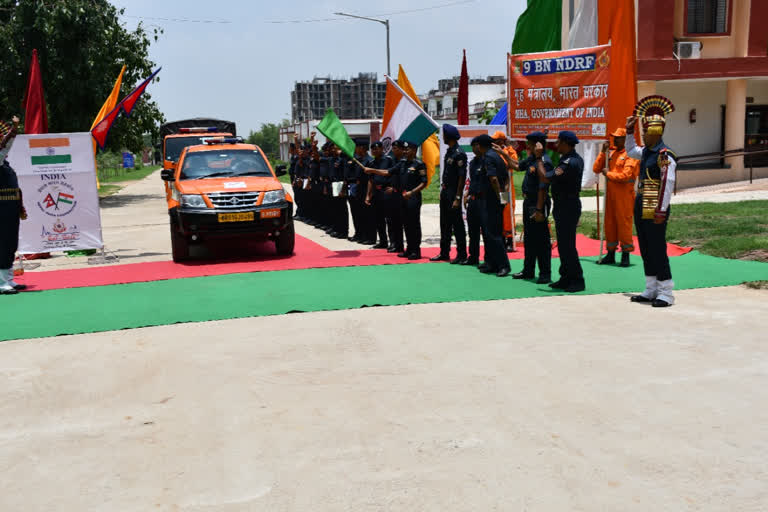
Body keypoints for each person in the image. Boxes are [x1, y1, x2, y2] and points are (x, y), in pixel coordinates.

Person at [625, 95, 677, 307]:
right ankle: (651, 288)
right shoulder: (646, 151)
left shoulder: (665, 154)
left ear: (656, 131)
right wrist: (629, 131)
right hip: (642, 200)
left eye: (646, 131)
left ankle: (666, 292)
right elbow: (631, 150)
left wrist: (661, 210)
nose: (643, 134)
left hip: (655, 202)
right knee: (646, 247)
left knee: (656, 247)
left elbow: (667, 182)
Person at [593, 127, 640, 267]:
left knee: (624, 224)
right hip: (610, 195)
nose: (615, 139)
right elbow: (596, 169)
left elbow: (625, 176)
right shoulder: (611, 153)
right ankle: (611, 253)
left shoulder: (632, 155)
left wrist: (608, 174)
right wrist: (602, 152)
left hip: (624, 195)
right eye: (614, 137)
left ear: (625, 139)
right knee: (610, 223)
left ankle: (626, 255)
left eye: (618, 137)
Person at [547, 131, 585, 292]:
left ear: (566, 143)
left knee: (568, 245)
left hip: (568, 205)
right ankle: (566, 277)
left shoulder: (571, 162)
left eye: (559, 142)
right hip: (563, 204)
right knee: (563, 244)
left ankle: (577, 279)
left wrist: (540, 158)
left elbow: (548, 176)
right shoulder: (566, 159)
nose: (556, 145)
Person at [512, 131, 552, 283]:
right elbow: (516, 166)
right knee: (529, 239)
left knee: (541, 240)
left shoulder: (545, 161)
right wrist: (502, 152)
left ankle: (545, 273)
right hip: (529, 202)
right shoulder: (531, 159)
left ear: (537, 145)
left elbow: (543, 186)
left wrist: (539, 209)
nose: (526, 146)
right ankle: (528, 270)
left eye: (529, 143)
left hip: (538, 202)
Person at [471, 134, 511, 277]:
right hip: (494, 199)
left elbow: (494, 179)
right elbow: (506, 177)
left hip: (490, 200)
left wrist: (500, 198)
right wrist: (504, 198)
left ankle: (503, 265)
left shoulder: (488, 157)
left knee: (494, 234)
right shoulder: (497, 157)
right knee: (489, 233)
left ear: (480, 146)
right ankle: (492, 263)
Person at [431, 124, 468, 264]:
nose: (443, 137)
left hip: (454, 192)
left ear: (449, 136)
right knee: (444, 223)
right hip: (446, 191)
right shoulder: (449, 151)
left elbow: (461, 177)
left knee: (457, 224)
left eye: (444, 135)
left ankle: (462, 254)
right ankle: (444, 252)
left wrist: (458, 197)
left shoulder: (459, 153)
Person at [0, 115, 27, 295]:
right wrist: (14, 129)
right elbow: (5, 144)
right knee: (2, 244)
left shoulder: (5, 165)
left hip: (9, 210)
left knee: (10, 243)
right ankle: (2, 283)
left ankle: (8, 279)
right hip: (1, 211)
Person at [398, 141, 428, 260]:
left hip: (413, 197)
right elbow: (389, 172)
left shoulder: (419, 164)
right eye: (404, 150)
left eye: (408, 149)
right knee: (406, 223)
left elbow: (423, 182)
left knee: (414, 224)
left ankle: (416, 250)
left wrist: (412, 192)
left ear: (415, 151)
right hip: (403, 197)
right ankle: (409, 248)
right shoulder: (403, 163)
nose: (405, 152)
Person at [364, 141, 396, 250]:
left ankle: (393, 242)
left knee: (390, 219)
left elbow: (393, 173)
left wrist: (393, 187)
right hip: (376, 193)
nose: (374, 151)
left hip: (386, 191)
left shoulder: (389, 160)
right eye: (372, 149)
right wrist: (368, 195)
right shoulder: (372, 162)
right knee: (378, 219)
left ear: (382, 149)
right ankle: (383, 241)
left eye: (376, 149)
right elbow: (371, 180)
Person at [491, 131, 519, 251]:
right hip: (496, 187)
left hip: (506, 187)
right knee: (497, 212)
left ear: (502, 141)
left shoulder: (510, 151)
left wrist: (502, 153)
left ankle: (509, 238)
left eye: (496, 141)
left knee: (507, 211)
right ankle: (500, 238)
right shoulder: (491, 152)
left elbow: (512, 165)